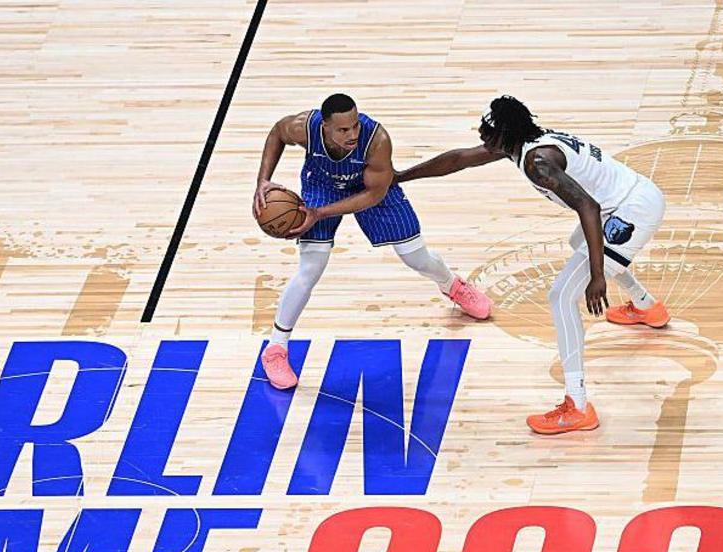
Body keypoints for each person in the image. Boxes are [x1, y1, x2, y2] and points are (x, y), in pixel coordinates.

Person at [396, 95, 670, 434]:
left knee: (562, 297)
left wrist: (597, 276)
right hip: (632, 195)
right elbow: (459, 159)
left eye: (487, 133)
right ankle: (647, 306)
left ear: (503, 136)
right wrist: (399, 177)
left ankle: (578, 406)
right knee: (578, 243)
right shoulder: (522, 140)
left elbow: (588, 208)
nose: (481, 137)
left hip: (629, 212)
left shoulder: (537, 162)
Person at [252, 93, 492, 389]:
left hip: (371, 188)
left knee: (415, 256)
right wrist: (263, 181)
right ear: (324, 126)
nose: (352, 134)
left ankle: (452, 285)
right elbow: (277, 131)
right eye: (343, 130)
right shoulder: (303, 127)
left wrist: (318, 213)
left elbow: (373, 195)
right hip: (322, 184)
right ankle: (276, 348)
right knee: (311, 268)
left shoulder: (376, 141)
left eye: (354, 126)